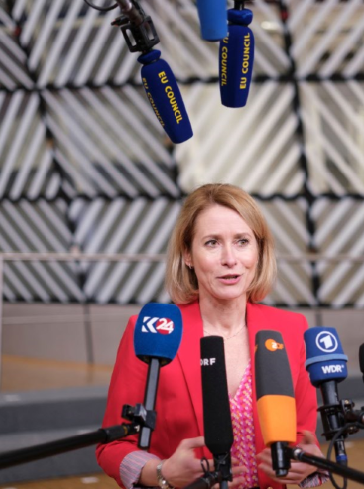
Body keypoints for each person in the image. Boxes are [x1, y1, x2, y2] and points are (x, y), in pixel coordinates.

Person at [96, 183, 326, 489]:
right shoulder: (152, 330)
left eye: (242, 241)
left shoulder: (291, 329)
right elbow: (113, 445)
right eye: (212, 243)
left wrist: (307, 463)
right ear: (188, 255)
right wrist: (163, 473)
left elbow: (300, 436)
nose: (230, 259)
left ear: (259, 251)